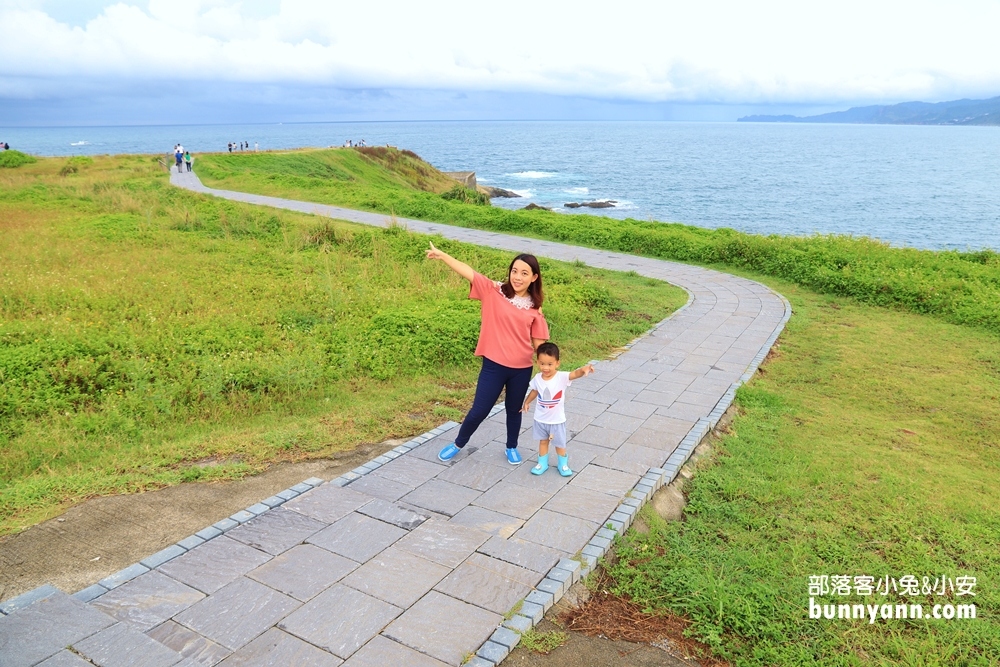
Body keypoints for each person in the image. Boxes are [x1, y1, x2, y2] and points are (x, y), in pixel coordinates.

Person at [428, 242, 549, 465]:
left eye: (524, 273)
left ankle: (511, 446)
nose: (517, 277)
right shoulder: (495, 291)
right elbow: (469, 272)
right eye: (514, 271)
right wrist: (443, 255)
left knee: (514, 410)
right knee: (479, 410)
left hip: (521, 368)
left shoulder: (535, 307)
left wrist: (548, 374)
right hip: (494, 365)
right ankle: (458, 443)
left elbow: (540, 345)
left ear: (534, 277)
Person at [521, 343, 593, 476]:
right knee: (543, 441)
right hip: (540, 419)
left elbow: (574, 374)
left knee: (559, 444)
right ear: (538, 362)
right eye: (542, 364)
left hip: (557, 421)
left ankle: (563, 464)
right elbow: (534, 391)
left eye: (550, 364)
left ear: (557, 363)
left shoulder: (561, 377)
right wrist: (527, 402)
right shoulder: (537, 378)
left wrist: (583, 370)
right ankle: (542, 463)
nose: (545, 368)